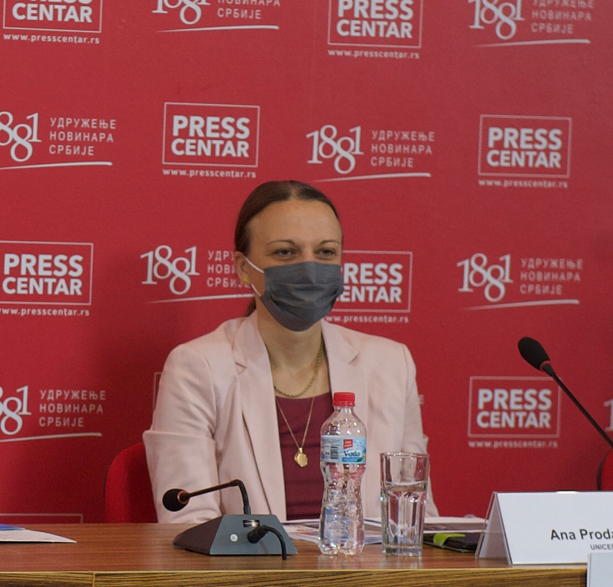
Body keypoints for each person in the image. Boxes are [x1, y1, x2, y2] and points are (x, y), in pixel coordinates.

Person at [145, 180, 430, 523]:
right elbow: (188, 522)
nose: (309, 268)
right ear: (243, 267)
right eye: (285, 252)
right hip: (250, 560)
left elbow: (415, 516)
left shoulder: (391, 364)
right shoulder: (198, 367)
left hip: (363, 559)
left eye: (325, 252)